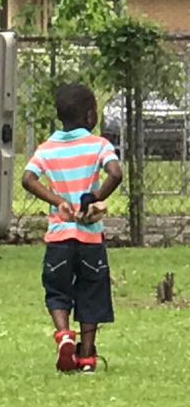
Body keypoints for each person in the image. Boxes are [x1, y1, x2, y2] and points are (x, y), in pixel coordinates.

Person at [21, 83, 123, 374]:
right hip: (90, 237)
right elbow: (115, 173)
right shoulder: (99, 145)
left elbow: (28, 179)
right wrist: (96, 200)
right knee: (92, 291)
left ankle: (64, 334)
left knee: (57, 290)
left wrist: (58, 201)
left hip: (59, 237)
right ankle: (88, 356)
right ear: (91, 115)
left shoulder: (47, 149)